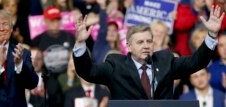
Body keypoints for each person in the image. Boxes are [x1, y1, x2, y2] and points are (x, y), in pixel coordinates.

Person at [72, 5, 224, 100]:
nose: (146, 46)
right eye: (140, 42)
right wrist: (80, 43)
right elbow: (88, 72)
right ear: (129, 46)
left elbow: (196, 62)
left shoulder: (165, 60)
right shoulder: (115, 64)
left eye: (148, 41)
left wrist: (211, 35)